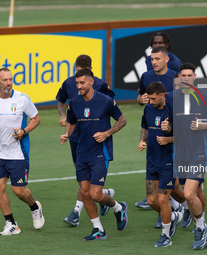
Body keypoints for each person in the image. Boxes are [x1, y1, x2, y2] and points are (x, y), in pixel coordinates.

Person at [59, 68, 128, 241]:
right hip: (82, 152)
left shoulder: (105, 101)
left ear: (91, 82)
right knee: (85, 192)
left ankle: (119, 208)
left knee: (96, 194)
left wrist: (107, 133)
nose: (79, 86)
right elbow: (72, 122)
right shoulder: (74, 102)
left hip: (100, 152)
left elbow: (122, 120)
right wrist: (67, 134)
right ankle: (98, 229)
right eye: (77, 83)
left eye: (82, 83)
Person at [163, 62, 207, 250]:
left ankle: (201, 228)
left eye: (190, 75)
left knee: (189, 193)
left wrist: (206, 125)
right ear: (179, 77)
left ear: (195, 76)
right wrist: (167, 127)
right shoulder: (171, 97)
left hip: (200, 150)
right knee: (195, 192)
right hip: (180, 152)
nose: (186, 78)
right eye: (183, 75)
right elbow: (170, 123)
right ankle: (200, 224)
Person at [0, 68, 44, 235]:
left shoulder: (22, 99)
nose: (8, 83)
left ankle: (35, 207)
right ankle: (11, 224)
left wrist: (24, 131)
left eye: (10, 79)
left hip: (17, 153)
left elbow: (36, 118)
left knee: (19, 191)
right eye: (5, 80)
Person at [56, 54, 115, 227]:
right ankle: (104, 195)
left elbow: (111, 104)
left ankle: (76, 212)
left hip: (95, 139)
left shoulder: (101, 85)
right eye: (76, 71)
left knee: (85, 183)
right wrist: (63, 115)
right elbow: (60, 101)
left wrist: (105, 130)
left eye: (82, 73)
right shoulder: (69, 83)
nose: (79, 80)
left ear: (90, 71)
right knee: (83, 178)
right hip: (76, 137)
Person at [138, 81, 183, 247]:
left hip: (168, 162)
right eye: (149, 98)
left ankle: (166, 235)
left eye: (154, 98)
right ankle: (173, 217)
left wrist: (168, 139)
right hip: (151, 161)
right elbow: (145, 127)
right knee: (151, 201)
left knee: (163, 200)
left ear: (163, 95)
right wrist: (142, 141)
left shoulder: (173, 111)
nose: (151, 101)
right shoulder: (148, 108)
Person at [136, 46, 178, 213]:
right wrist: (141, 100)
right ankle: (173, 212)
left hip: (174, 141)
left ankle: (188, 209)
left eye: (157, 59)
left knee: (176, 186)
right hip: (154, 138)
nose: (153, 62)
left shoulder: (175, 77)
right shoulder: (146, 77)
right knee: (162, 192)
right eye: (151, 59)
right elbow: (140, 99)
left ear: (166, 59)